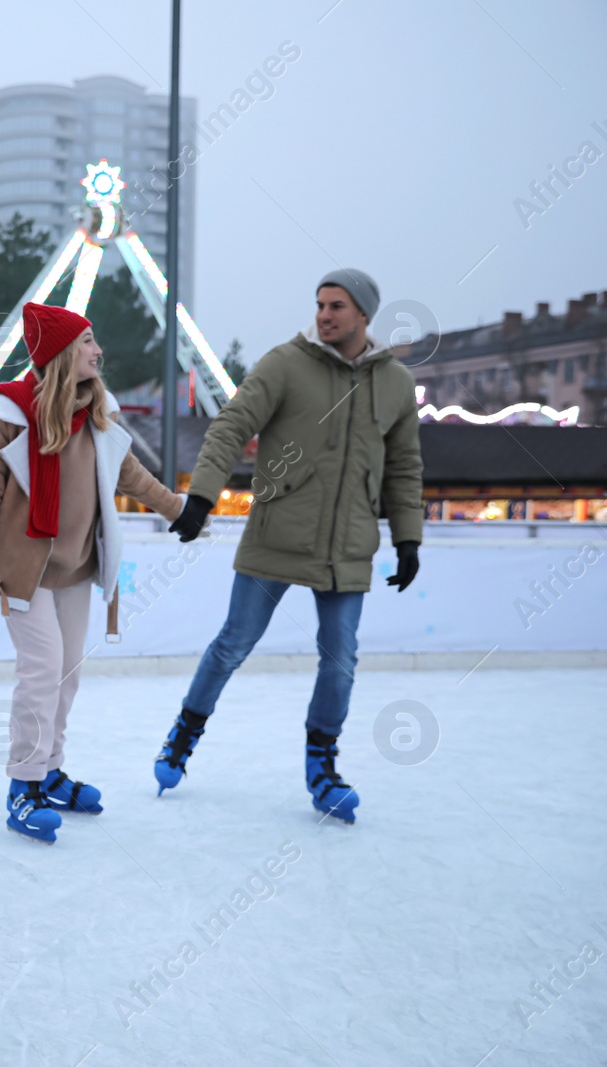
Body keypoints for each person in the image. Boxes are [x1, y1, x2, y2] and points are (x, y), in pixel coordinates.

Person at [157, 269, 424, 824]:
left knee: (341, 660)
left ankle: (322, 766)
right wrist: (202, 497)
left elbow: (403, 468)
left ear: (364, 315)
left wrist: (407, 537)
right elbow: (231, 425)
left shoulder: (395, 383)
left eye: (337, 306)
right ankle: (183, 735)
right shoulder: (286, 363)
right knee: (233, 643)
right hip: (277, 535)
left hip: (348, 543)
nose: (324, 315)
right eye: (321, 304)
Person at [0, 303, 185, 844]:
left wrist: (177, 510)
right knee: (42, 669)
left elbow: (132, 474)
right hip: (23, 571)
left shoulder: (97, 412)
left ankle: (48, 770)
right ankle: (22, 786)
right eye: (88, 341)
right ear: (64, 352)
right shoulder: (11, 412)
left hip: (75, 568)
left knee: (68, 673)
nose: (98, 351)